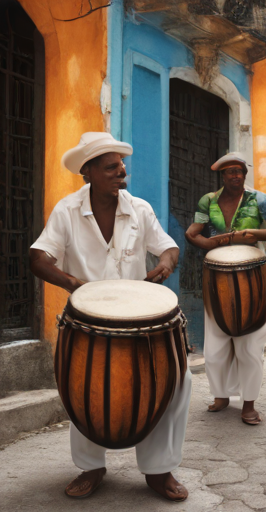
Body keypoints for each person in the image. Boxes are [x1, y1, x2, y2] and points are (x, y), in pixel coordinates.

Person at [29, 132, 191, 502]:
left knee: (177, 384)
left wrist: (164, 266)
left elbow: (168, 247)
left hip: (141, 323)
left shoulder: (140, 209)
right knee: (86, 389)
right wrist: (75, 284)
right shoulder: (67, 211)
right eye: (111, 167)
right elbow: (38, 258)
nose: (122, 172)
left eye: (121, 166)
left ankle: (159, 470)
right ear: (87, 173)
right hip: (87, 321)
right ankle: (91, 466)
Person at [185, 152, 266, 425]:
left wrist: (255, 235)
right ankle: (220, 396)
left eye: (240, 171)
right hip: (216, 277)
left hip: (253, 276)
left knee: (250, 346)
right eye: (230, 172)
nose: (236, 176)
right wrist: (205, 244)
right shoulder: (209, 200)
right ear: (222, 176)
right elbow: (193, 232)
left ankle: (249, 404)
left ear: (244, 174)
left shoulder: (259, 199)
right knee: (216, 344)